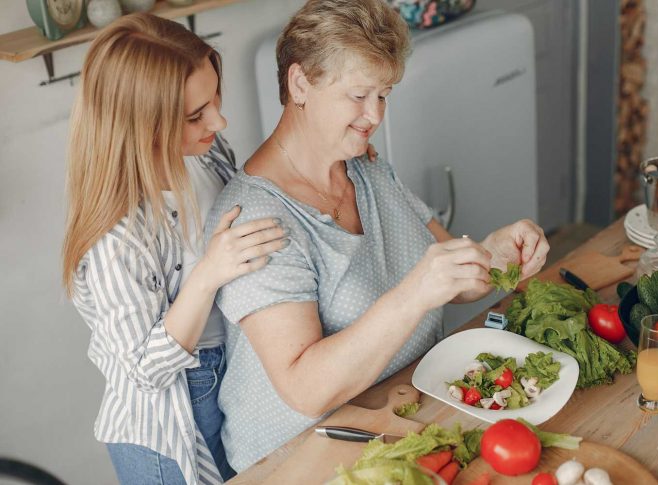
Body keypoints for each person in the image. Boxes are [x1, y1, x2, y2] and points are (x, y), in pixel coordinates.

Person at [205, 0, 550, 473]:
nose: (375, 115)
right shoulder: (257, 218)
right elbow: (305, 389)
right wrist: (415, 293)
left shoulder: (365, 166)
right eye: (359, 95)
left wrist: (494, 251)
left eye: (384, 94)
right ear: (300, 83)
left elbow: (451, 274)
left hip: (403, 419)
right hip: (303, 460)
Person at [60, 14, 289, 485]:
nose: (220, 120)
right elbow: (145, 371)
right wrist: (209, 273)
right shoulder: (116, 237)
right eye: (196, 115)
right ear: (144, 126)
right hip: (174, 415)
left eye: (215, 98)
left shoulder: (202, 152)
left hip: (230, 368)